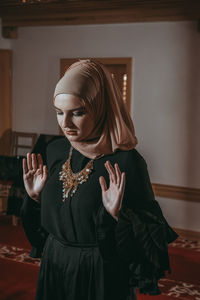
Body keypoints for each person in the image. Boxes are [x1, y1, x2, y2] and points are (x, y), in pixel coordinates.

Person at [21, 59, 178, 300]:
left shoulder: (127, 162)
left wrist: (119, 216)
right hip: (55, 263)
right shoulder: (55, 150)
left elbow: (150, 236)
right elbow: (46, 229)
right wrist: (36, 198)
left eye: (78, 112)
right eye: (59, 112)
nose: (66, 124)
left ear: (100, 108)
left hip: (99, 271)